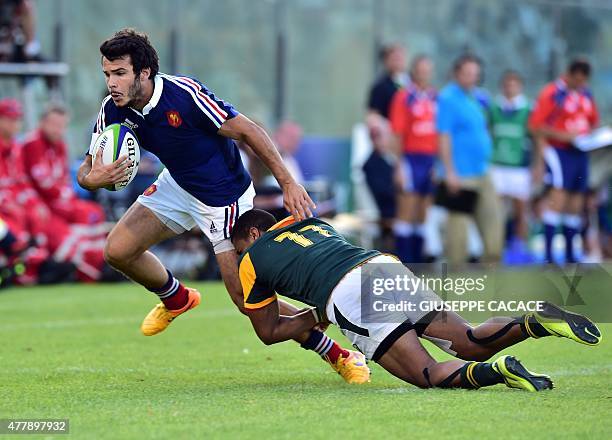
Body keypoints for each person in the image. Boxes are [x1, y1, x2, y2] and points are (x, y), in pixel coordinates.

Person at [76, 29, 365, 383]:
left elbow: (250, 132)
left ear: (144, 73)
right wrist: (94, 178)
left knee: (248, 304)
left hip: (222, 197)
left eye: (119, 73)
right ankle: (177, 297)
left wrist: (288, 183)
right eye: (107, 74)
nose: (111, 83)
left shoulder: (185, 96)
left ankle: (339, 353)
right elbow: (86, 169)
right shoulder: (113, 109)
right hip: (178, 184)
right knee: (117, 250)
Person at [231, 209, 601, 391]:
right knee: (470, 341)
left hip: (348, 294)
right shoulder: (314, 223)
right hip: (384, 266)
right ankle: (533, 321)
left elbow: (268, 330)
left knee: (426, 373)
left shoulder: (251, 259)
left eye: (239, 246)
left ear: (253, 232)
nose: (239, 254)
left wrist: (316, 314)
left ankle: (499, 371)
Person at [529, 59, 599, 264]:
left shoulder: (586, 93)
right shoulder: (552, 93)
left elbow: (592, 121)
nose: (580, 83)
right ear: (569, 74)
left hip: (581, 152)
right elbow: (535, 127)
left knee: (576, 202)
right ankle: (549, 256)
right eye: (577, 79)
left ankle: (570, 255)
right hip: (559, 152)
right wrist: (563, 136)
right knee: (557, 200)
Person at [436, 54, 503, 267]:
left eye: (475, 74)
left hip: (483, 171)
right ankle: (457, 275)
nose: (472, 78)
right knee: (458, 231)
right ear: (457, 73)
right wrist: (449, 171)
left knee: (493, 222)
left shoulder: (479, 97)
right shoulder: (447, 98)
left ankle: (491, 269)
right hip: (461, 174)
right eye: (467, 74)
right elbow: (443, 136)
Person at [21, 104, 106, 226]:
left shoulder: (60, 144)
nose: (58, 130)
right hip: (41, 201)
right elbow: (42, 182)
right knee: (85, 215)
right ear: (42, 122)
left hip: (58, 199)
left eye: (62, 126)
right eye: (54, 125)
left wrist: (67, 193)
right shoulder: (33, 143)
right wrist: (64, 194)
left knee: (96, 212)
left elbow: (63, 176)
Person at [388, 55, 437, 263]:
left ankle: (418, 264)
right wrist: (399, 165)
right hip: (410, 158)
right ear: (414, 71)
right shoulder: (404, 97)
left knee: (423, 212)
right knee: (406, 209)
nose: (425, 74)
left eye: (428, 70)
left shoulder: (435, 97)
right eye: (421, 70)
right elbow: (397, 133)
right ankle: (403, 262)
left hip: (430, 159)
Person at [488, 71, 533, 256]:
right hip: (497, 165)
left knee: (520, 210)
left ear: (520, 86)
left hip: (519, 167)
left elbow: (535, 138)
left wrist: (537, 164)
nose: (510, 88)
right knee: (495, 210)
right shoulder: (493, 108)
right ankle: (496, 247)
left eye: (514, 84)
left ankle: (519, 248)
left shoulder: (528, 109)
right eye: (507, 84)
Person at [367, 44, 409, 119]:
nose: (399, 62)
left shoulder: (412, 82)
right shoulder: (380, 86)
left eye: (401, 57)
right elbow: (373, 115)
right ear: (386, 61)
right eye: (395, 58)